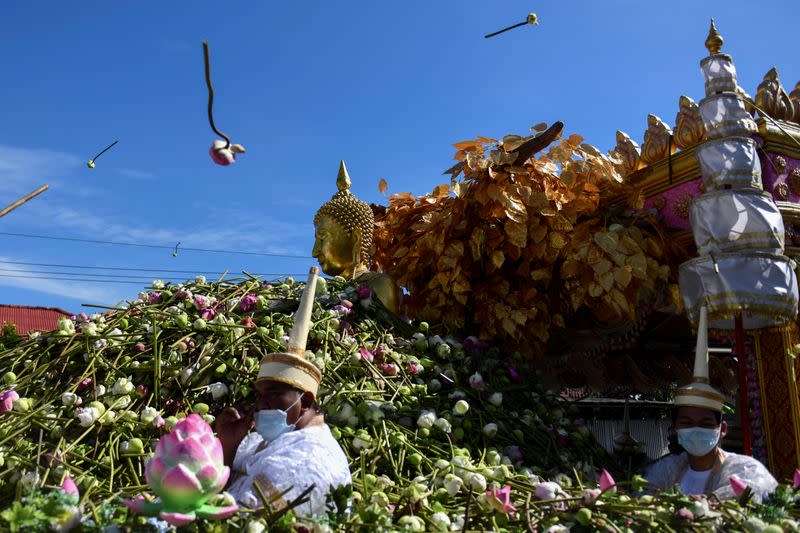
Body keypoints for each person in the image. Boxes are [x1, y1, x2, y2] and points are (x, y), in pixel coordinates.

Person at [216, 267, 351, 516]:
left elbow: (235, 517)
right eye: (259, 395)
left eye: (274, 394)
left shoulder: (307, 459)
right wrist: (228, 444)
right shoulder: (271, 441)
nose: (260, 405)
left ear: (306, 400)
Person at [644, 306, 777, 501]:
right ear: (675, 428)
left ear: (722, 429)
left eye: (706, 424)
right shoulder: (666, 469)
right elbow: (644, 497)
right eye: (687, 423)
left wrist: (705, 503)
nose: (695, 429)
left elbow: (753, 495)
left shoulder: (744, 469)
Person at [312, 160, 401, 314]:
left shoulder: (378, 285)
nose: (314, 252)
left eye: (322, 238)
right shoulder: (323, 291)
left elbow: (385, 333)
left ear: (355, 239)